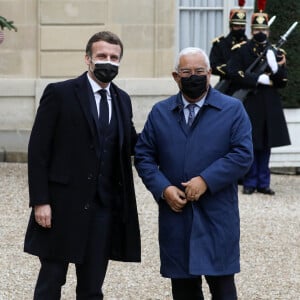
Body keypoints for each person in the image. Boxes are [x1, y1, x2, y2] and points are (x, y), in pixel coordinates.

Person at [24, 31, 141, 299]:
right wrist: (40, 201)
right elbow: (38, 150)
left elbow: (131, 142)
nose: (108, 61)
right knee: (50, 283)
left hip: (104, 210)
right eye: (102, 56)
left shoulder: (122, 99)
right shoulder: (60, 93)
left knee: (91, 287)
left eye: (114, 57)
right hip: (61, 206)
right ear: (88, 58)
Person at [134, 47, 253, 300]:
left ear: (209, 74)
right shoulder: (160, 112)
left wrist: (206, 180)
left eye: (199, 71)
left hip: (217, 213)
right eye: (186, 72)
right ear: (176, 77)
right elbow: (143, 156)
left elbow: (242, 154)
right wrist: (163, 188)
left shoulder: (233, 109)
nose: (193, 76)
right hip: (176, 216)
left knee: (222, 287)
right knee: (184, 290)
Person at [227, 11, 291, 195]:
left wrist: (275, 68)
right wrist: (256, 79)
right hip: (251, 101)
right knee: (251, 142)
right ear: (252, 31)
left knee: (266, 143)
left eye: (263, 29)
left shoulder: (276, 52)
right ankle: (250, 181)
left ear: (269, 32)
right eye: (256, 30)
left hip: (269, 103)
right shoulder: (243, 49)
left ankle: (263, 182)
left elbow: (283, 81)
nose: (260, 33)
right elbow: (233, 72)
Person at [209, 1, 248, 95]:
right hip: (228, 87)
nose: (240, 28)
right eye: (237, 26)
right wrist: (231, 71)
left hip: (246, 87)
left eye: (242, 26)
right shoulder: (220, 44)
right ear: (230, 27)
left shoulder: (249, 45)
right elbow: (213, 65)